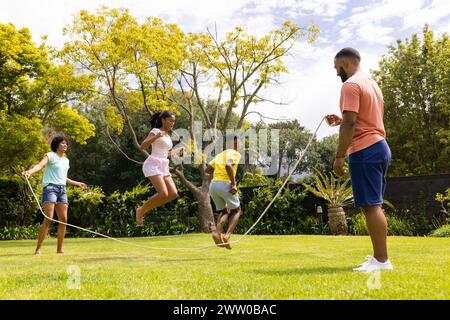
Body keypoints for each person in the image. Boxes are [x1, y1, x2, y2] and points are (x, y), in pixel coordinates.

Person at [326, 47, 393, 272]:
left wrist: (339, 157)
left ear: (344, 63)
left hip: (365, 150)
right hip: (379, 146)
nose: (337, 74)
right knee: (374, 205)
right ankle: (378, 258)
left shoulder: (350, 85)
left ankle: (382, 261)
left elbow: (351, 124)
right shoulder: (372, 84)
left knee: (371, 206)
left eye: (337, 68)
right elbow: (359, 119)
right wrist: (340, 120)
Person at [22, 136, 87, 255]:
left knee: (64, 220)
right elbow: (40, 165)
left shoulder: (66, 161)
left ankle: (59, 250)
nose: (65, 145)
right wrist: (30, 172)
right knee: (49, 218)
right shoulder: (50, 155)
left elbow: (63, 177)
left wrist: (77, 183)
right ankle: (38, 249)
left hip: (62, 190)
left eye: (66, 144)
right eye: (63, 143)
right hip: (50, 188)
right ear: (57, 145)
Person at [136, 111, 184, 226]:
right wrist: (156, 136)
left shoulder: (167, 136)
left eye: (173, 121)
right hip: (153, 164)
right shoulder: (156, 131)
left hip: (164, 165)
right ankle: (141, 210)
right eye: (170, 120)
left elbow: (166, 154)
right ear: (163, 120)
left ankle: (143, 209)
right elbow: (142, 146)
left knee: (173, 194)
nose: (172, 123)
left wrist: (178, 150)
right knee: (163, 194)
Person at [205, 134, 242, 249]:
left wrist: (217, 178)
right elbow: (228, 165)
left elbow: (207, 170)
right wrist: (233, 184)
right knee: (237, 211)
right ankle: (227, 235)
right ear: (234, 143)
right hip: (226, 184)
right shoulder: (235, 153)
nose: (240, 145)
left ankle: (216, 232)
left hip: (214, 185)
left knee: (224, 211)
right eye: (239, 142)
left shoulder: (220, 155)